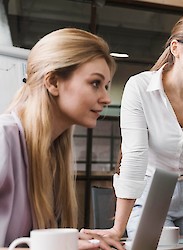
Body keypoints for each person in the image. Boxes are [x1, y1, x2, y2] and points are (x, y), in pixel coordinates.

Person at [84, 12, 183, 239]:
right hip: (151, 191)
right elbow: (134, 156)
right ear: (176, 48)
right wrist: (117, 229)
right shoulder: (139, 87)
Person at [0, 28, 123, 250]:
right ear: (53, 82)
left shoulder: (53, 150)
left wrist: (66, 242)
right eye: (95, 83)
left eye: (106, 86)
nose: (106, 98)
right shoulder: (3, 139)